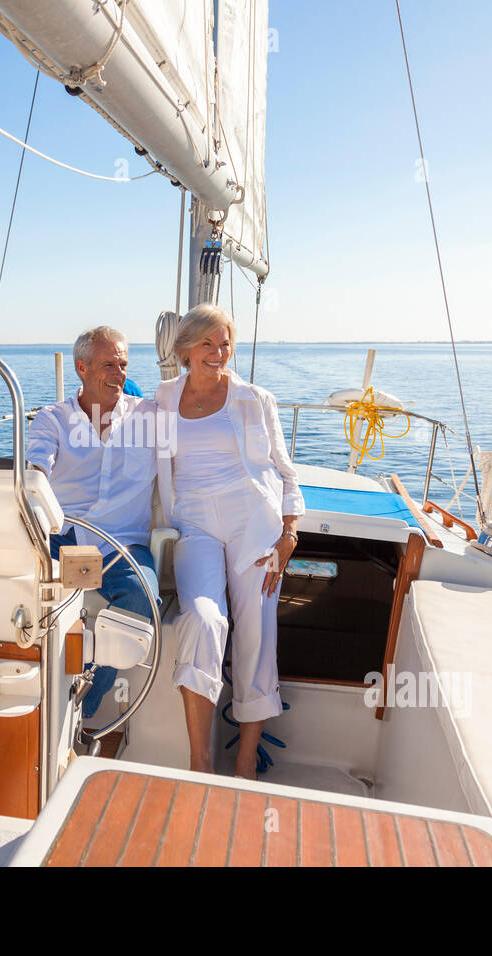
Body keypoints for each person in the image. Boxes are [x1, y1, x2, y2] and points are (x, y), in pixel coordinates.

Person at [155, 303, 304, 779]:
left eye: (225, 344)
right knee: (202, 619)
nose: (218, 353)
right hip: (194, 523)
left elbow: (285, 472)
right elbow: (115, 430)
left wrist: (289, 535)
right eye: (207, 344)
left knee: (257, 635)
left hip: (254, 527)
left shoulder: (255, 399)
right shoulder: (161, 399)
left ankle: (244, 762)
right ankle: (199, 760)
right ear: (185, 350)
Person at [26, 326, 159, 721]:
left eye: (123, 365)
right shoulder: (53, 420)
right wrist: (34, 481)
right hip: (62, 539)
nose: (118, 374)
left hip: (123, 546)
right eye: (108, 365)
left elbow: (200, 412)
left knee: (141, 602)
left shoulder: (149, 418)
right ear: (82, 368)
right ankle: (23, 698)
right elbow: (36, 468)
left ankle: (77, 710)